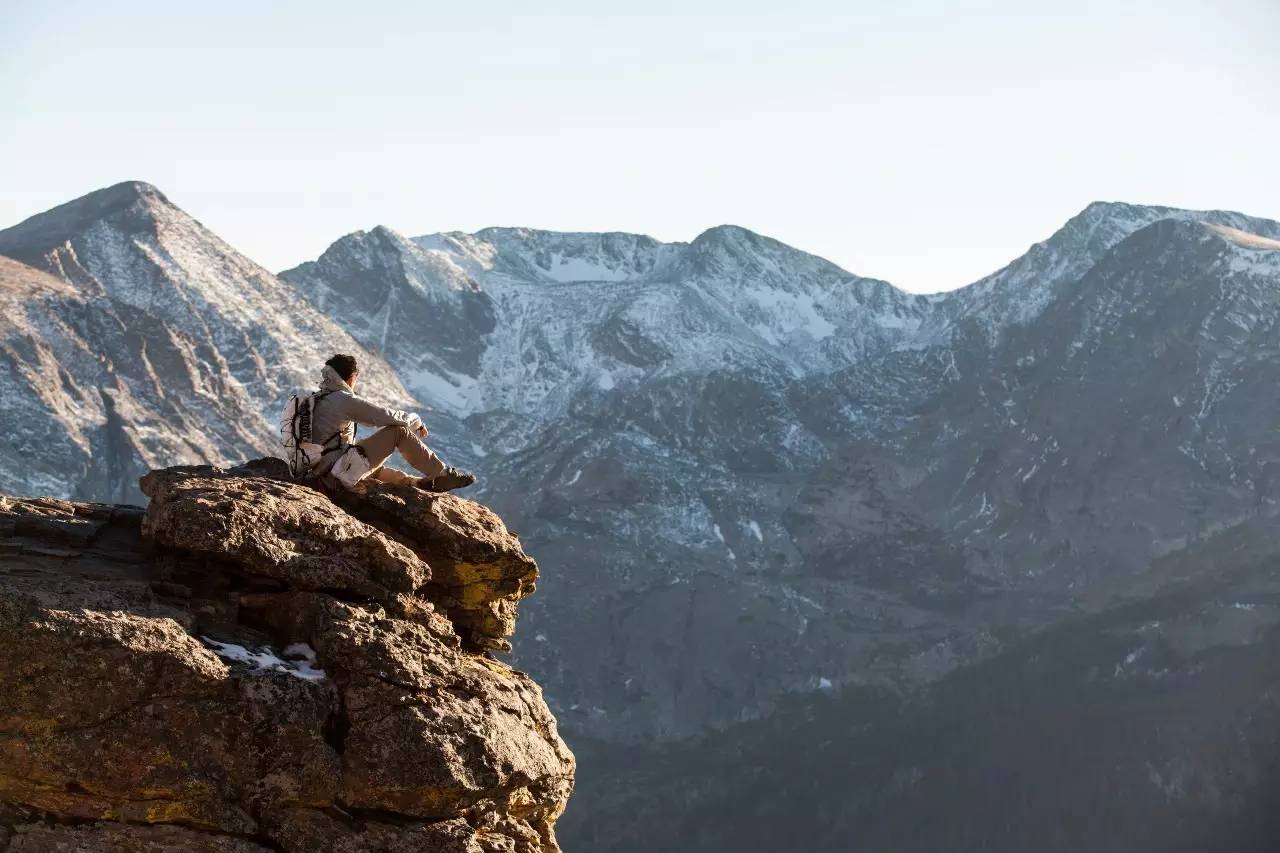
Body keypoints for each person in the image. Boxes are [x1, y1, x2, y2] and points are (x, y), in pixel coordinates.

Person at [304, 353, 475, 492]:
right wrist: (415, 420)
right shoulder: (342, 399)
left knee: (367, 462)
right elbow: (382, 416)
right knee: (398, 433)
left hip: (323, 471)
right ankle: (441, 474)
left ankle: (417, 485)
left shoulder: (317, 398)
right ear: (350, 378)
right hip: (335, 475)